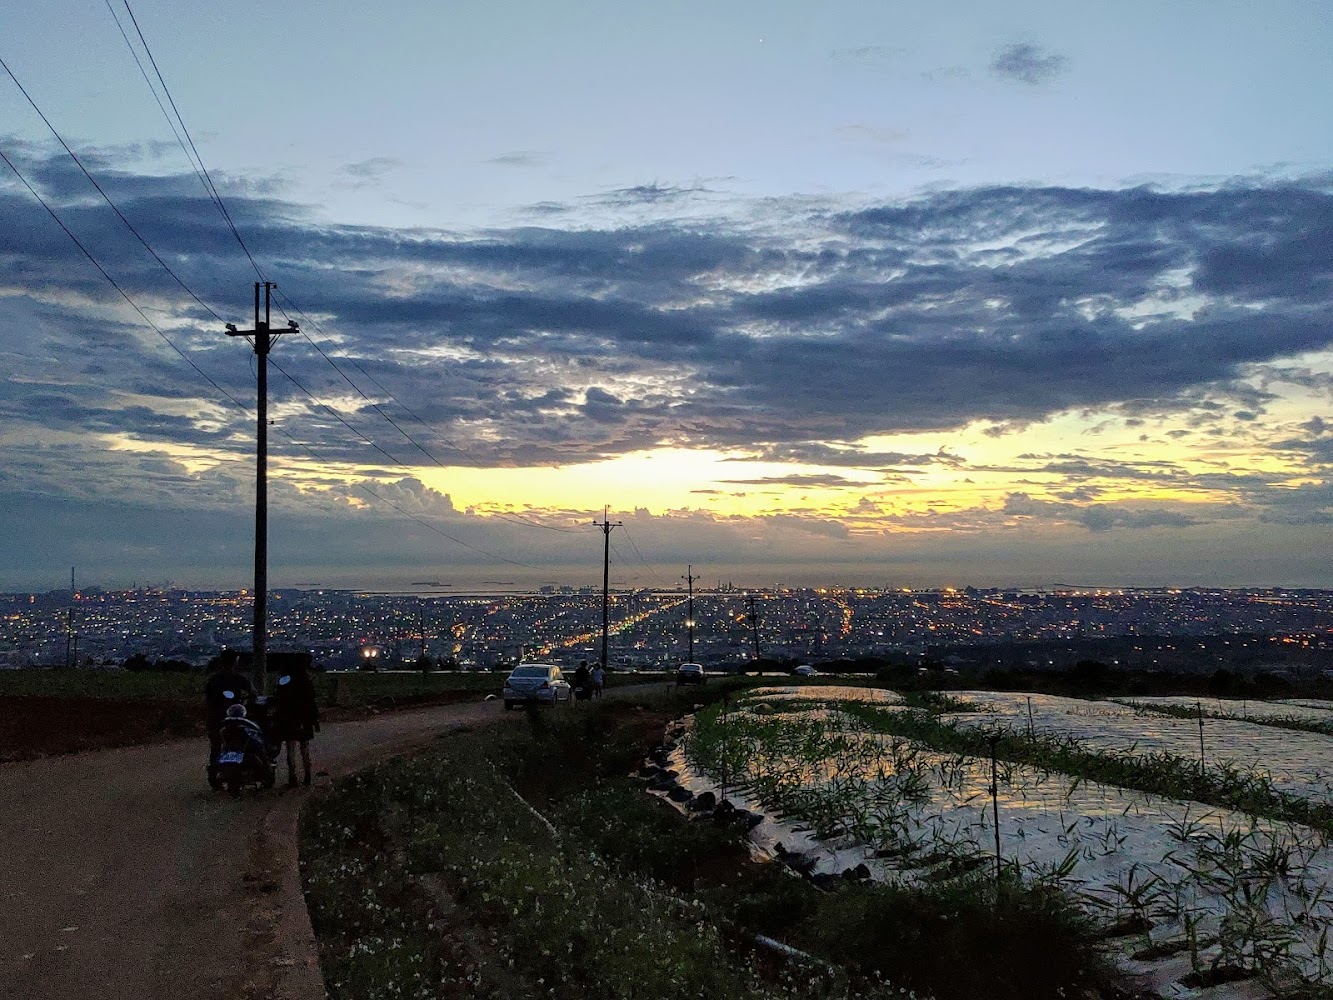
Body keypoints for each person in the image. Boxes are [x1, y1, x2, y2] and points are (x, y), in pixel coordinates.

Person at [204, 650, 252, 789]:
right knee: (237, 744)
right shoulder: (238, 678)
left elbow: (208, 699)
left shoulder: (214, 679)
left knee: (217, 746)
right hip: (234, 718)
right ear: (235, 662)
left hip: (216, 718)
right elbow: (252, 692)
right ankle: (231, 775)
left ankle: (215, 775)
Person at [271, 658, 320, 787]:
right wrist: (315, 720)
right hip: (304, 718)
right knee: (304, 747)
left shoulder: (284, 680)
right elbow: (312, 701)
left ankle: (292, 776)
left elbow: (278, 697)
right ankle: (307, 775)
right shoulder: (306, 681)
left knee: (290, 747)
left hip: (289, 718)